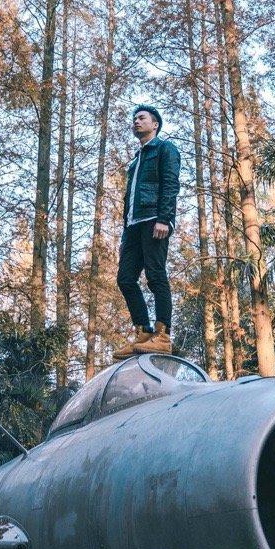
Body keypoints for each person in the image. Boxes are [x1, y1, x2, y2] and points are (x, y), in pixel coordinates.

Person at [112, 104, 180, 360]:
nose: (136, 122)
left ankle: (163, 336)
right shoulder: (136, 160)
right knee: (125, 278)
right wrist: (125, 226)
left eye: (141, 118)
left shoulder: (165, 149)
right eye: (134, 119)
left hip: (155, 220)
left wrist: (165, 218)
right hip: (133, 225)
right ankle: (143, 333)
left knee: (155, 274)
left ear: (155, 124)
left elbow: (170, 184)